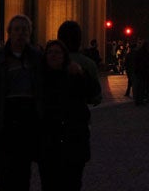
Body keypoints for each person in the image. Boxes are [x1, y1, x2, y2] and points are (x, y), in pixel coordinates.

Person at [0, 14, 42, 191]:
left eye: (25, 29)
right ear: (9, 33)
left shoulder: (37, 58)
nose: (21, 33)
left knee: (24, 173)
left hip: (27, 123)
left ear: (30, 33)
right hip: (4, 122)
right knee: (4, 172)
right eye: (17, 29)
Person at [38, 39, 95, 191]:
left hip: (73, 141)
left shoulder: (75, 74)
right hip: (48, 143)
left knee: (73, 184)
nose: (53, 55)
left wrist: (81, 73)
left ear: (65, 55)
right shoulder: (39, 78)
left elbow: (93, 93)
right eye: (50, 52)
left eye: (57, 52)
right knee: (49, 184)